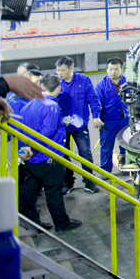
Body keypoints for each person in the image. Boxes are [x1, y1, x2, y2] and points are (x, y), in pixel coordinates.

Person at [18, 74, 82, 232]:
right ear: (58, 88)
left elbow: (20, 130)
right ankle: (61, 224)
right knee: (53, 192)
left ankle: (33, 224)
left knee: (29, 193)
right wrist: (33, 148)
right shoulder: (52, 106)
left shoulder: (28, 105)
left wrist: (25, 149)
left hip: (31, 160)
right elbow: (48, 132)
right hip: (49, 157)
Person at [55, 56, 102, 194]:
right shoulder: (56, 83)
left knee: (85, 153)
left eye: (62, 70)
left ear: (71, 69)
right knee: (63, 154)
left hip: (79, 126)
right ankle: (68, 182)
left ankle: (89, 182)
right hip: (61, 127)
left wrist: (96, 116)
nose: (59, 73)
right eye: (58, 70)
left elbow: (93, 99)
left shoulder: (84, 80)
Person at [95, 58, 128, 173]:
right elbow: (97, 104)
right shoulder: (101, 86)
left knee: (125, 146)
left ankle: (126, 167)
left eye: (116, 69)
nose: (113, 72)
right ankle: (105, 170)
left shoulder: (128, 83)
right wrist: (97, 118)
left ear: (121, 69)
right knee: (106, 146)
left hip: (125, 120)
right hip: (108, 121)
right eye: (110, 69)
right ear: (106, 70)